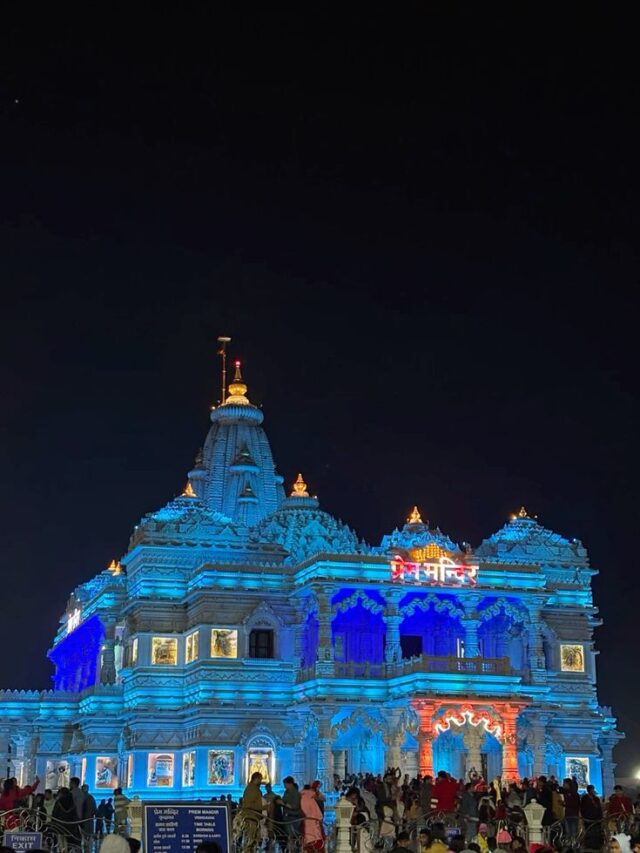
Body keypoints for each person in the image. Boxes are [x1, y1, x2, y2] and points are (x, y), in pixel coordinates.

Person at [240, 771, 264, 853]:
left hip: (254, 818)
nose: (261, 782)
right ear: (256, 779)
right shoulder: (252, 789)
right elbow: (247, 804)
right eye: (260, 779)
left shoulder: (253, 788)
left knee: (254, 840)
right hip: (251, 818)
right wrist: (264, 807)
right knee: (250, 839)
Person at [53, 786, 81, 852]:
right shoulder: (73, 802)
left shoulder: (59, 802)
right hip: (70, 827)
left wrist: (53, 823)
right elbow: (75, 815)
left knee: (61, 844)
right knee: (70, 844)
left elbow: (55, 814)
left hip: (60, 826)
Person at [279, 776, 302, 851]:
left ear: (290, 784)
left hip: (293, 818)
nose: (285, 786)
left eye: (285, 785)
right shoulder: (286, 792)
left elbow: (295, 806)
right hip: (287, 817)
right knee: (288, 836)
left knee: (292, 837)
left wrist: (283, 803)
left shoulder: (295, 793)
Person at [300, 784, 324, 851]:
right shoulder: (311, 798)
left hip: (304, 824)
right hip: (314, 824)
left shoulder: (300, 797)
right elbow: (318, 814)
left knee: (307, 845)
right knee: (317, 845)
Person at [581, 784, 604, 851]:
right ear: (589, 790)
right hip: (588, 818)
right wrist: (584, 817)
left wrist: (600, 817)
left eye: (593, 789)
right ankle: (589, 845)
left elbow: (599, 808)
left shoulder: (596, 798)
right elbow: (582, 809)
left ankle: (597, 845)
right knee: (589, 831)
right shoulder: (584, 798)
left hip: (596, 818)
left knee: (597, 832)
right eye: (592, 789)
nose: (593, 791)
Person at [562, 777, 580, 844]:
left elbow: (575, 804)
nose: (563, 785)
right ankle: (571, 844)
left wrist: (565, 804)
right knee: (569, 831)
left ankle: (573, 844)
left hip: (572, 814)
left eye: (564, 784)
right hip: (569, 814)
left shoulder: (572, 794)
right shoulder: (566, 793)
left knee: (572, 831)